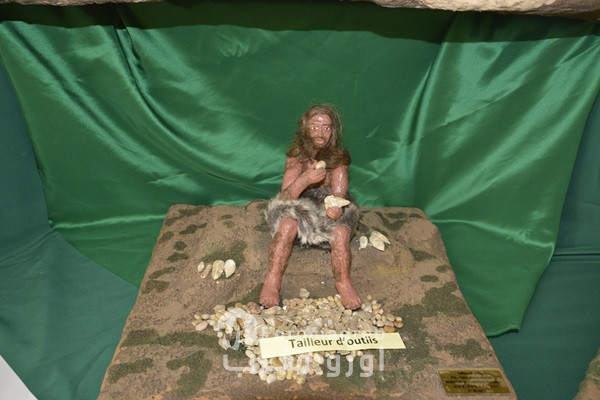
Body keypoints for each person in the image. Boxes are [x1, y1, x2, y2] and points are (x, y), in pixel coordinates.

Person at [259, 104, 362, 310]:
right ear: (305, 128)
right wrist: (305, 179)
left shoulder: (338, 158)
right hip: (299, 204)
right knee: (287, 224)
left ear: (333, 131)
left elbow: (339, 193)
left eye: (326, 127)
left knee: (341, 233)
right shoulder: (297, 157)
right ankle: (273, 278)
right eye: (314, 127)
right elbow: (286, 196)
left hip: (325, 206)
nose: (320, 133)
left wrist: (335, 207)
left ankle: (343, 281)